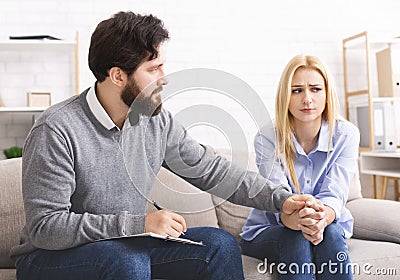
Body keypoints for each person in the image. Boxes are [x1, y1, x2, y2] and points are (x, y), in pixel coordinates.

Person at [10, 12, 318, 280]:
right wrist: (138, 224)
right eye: (153, 69)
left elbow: (213, 170)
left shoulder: (154, 121)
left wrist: (281, 200)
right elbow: (46, 227)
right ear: (118, 75)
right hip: (49, 259)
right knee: (126, 261)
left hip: (124, 246)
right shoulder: (57, 128)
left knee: (218, 245)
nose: (164, 78)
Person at [241, 55, 360, 279]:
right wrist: (297, 219)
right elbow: (278, 196)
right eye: (297, 90)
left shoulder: (347, 135)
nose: (307, 99)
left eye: (315, 89)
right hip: (269, 230)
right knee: (295, 236)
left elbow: (335, 192)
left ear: (326, 94)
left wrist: (321, 217)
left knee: (332, 231)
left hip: (325, 222)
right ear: (285, 96)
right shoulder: (267, 138)